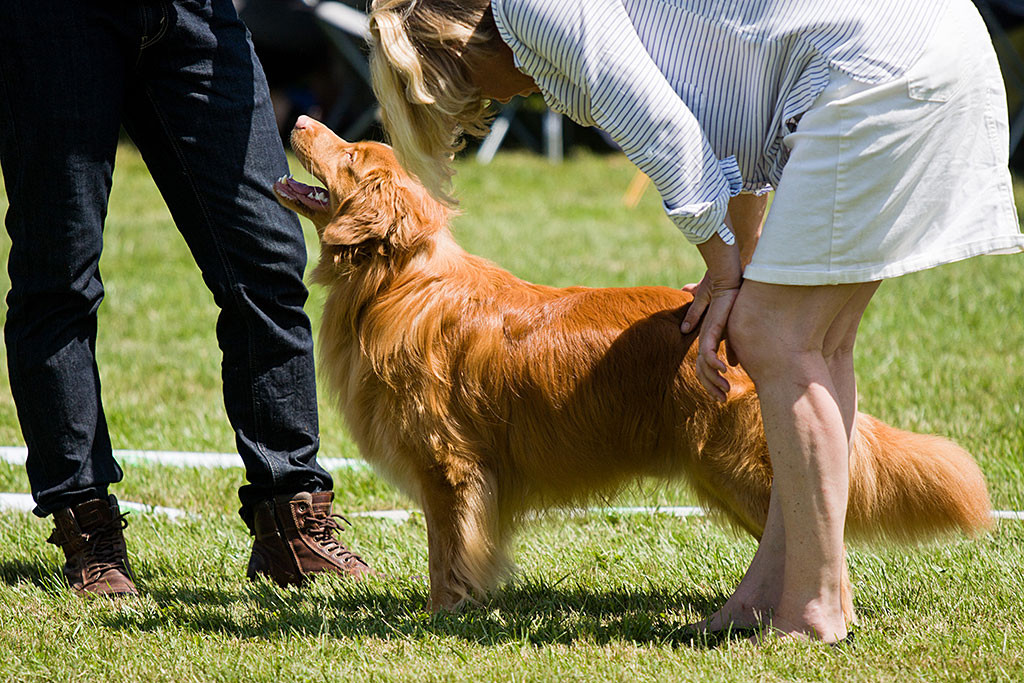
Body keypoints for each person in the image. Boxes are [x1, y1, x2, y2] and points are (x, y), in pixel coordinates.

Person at [367, 0, 1024, 643]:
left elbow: (665, 131)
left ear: (458, 45)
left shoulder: (535, 9)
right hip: (915, 45)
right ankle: (777, 589)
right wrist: (740, 261)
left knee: (774, 334)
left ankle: (818, 606)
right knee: (819, 344)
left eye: (461, 89)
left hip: (880, 65)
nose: (488, 104)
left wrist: (726, 271)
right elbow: (722, 128)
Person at [0, 0, 372, 597]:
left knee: (269, 257)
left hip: (196, 16)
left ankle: (290, 517)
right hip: (54, 19)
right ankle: (85, 523)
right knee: (59, 272)